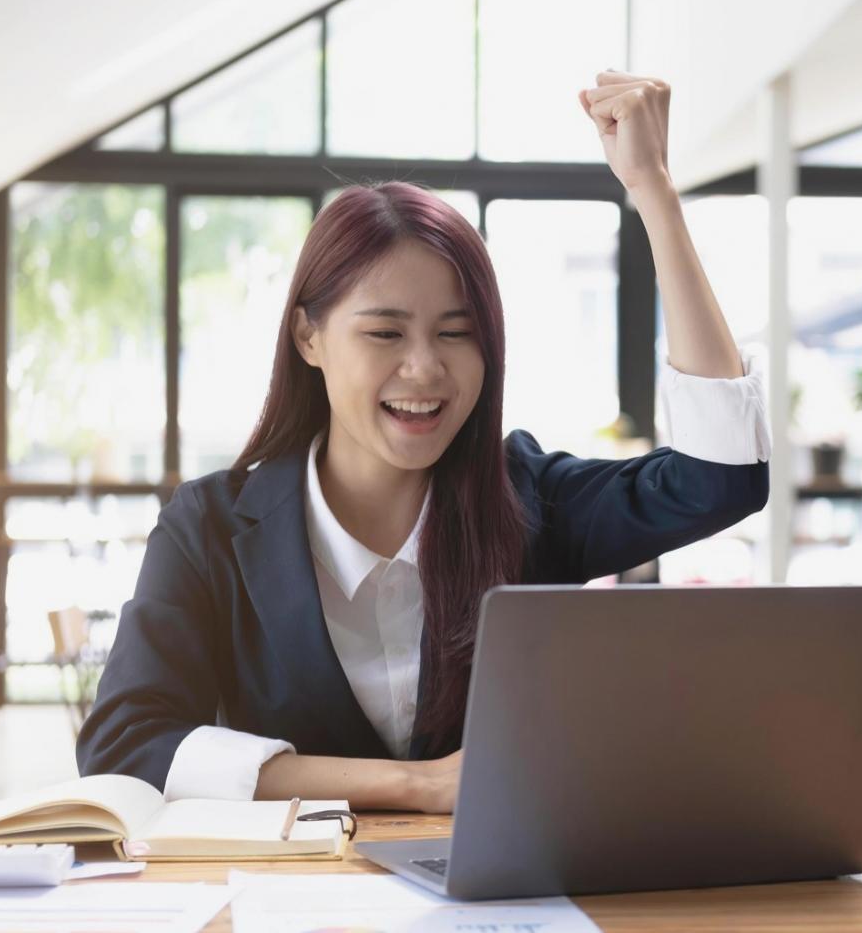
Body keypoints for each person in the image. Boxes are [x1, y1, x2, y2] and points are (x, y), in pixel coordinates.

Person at [76, 71, 770, 813]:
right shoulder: (211, 528)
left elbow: (719, 476)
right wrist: (417, 785)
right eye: (384, 332)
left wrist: (653, 191)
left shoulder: (528, 501)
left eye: (456, 333)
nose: (425, 368)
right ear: (309, 336)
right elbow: (124, 744)